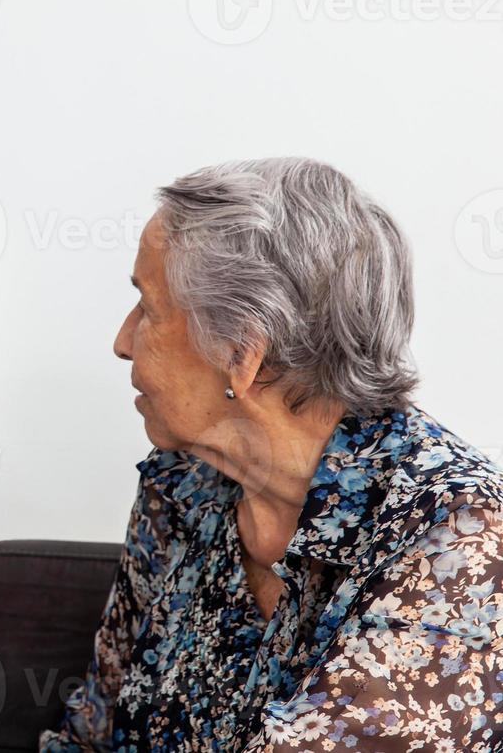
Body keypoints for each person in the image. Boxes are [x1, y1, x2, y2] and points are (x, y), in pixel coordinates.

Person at [42, 157, 503, 752]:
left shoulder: (463, 534)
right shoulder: (181, 485)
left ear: (244, 351)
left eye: (149, 309)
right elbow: (93, 735)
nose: (122, 342)